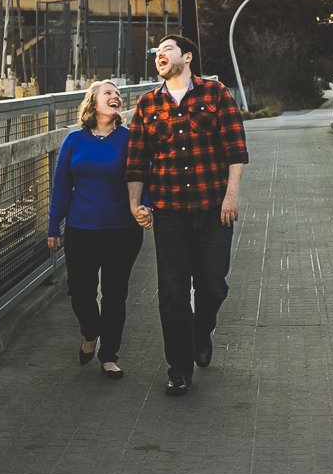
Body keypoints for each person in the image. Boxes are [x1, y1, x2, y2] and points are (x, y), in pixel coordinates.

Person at [125, 34, 248, 397]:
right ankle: (179, 368)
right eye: (157, 53)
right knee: (172, 293)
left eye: (168, 50)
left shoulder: (215, 94)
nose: (160, 56)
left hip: (213, 210)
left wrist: (231, 197)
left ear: (188, 57)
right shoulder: (147, 105)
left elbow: (236, 151)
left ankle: (201, 331)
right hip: (170, 214)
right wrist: (136, 205)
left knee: (213, 283)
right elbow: (135, 163)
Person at [47, 79, 144, 379]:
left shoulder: (130, 139)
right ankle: (91, 333)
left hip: (122, 230)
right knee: (80, 291)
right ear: (93, 102)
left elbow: (144, 176)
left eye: (117, 94)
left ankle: (109, 355)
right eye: (108, 93)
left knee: (115, 294)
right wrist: (54, 225)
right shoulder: (74, 141)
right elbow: (62, 185)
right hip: (81, 228)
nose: (115, 96)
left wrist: (145, 206)